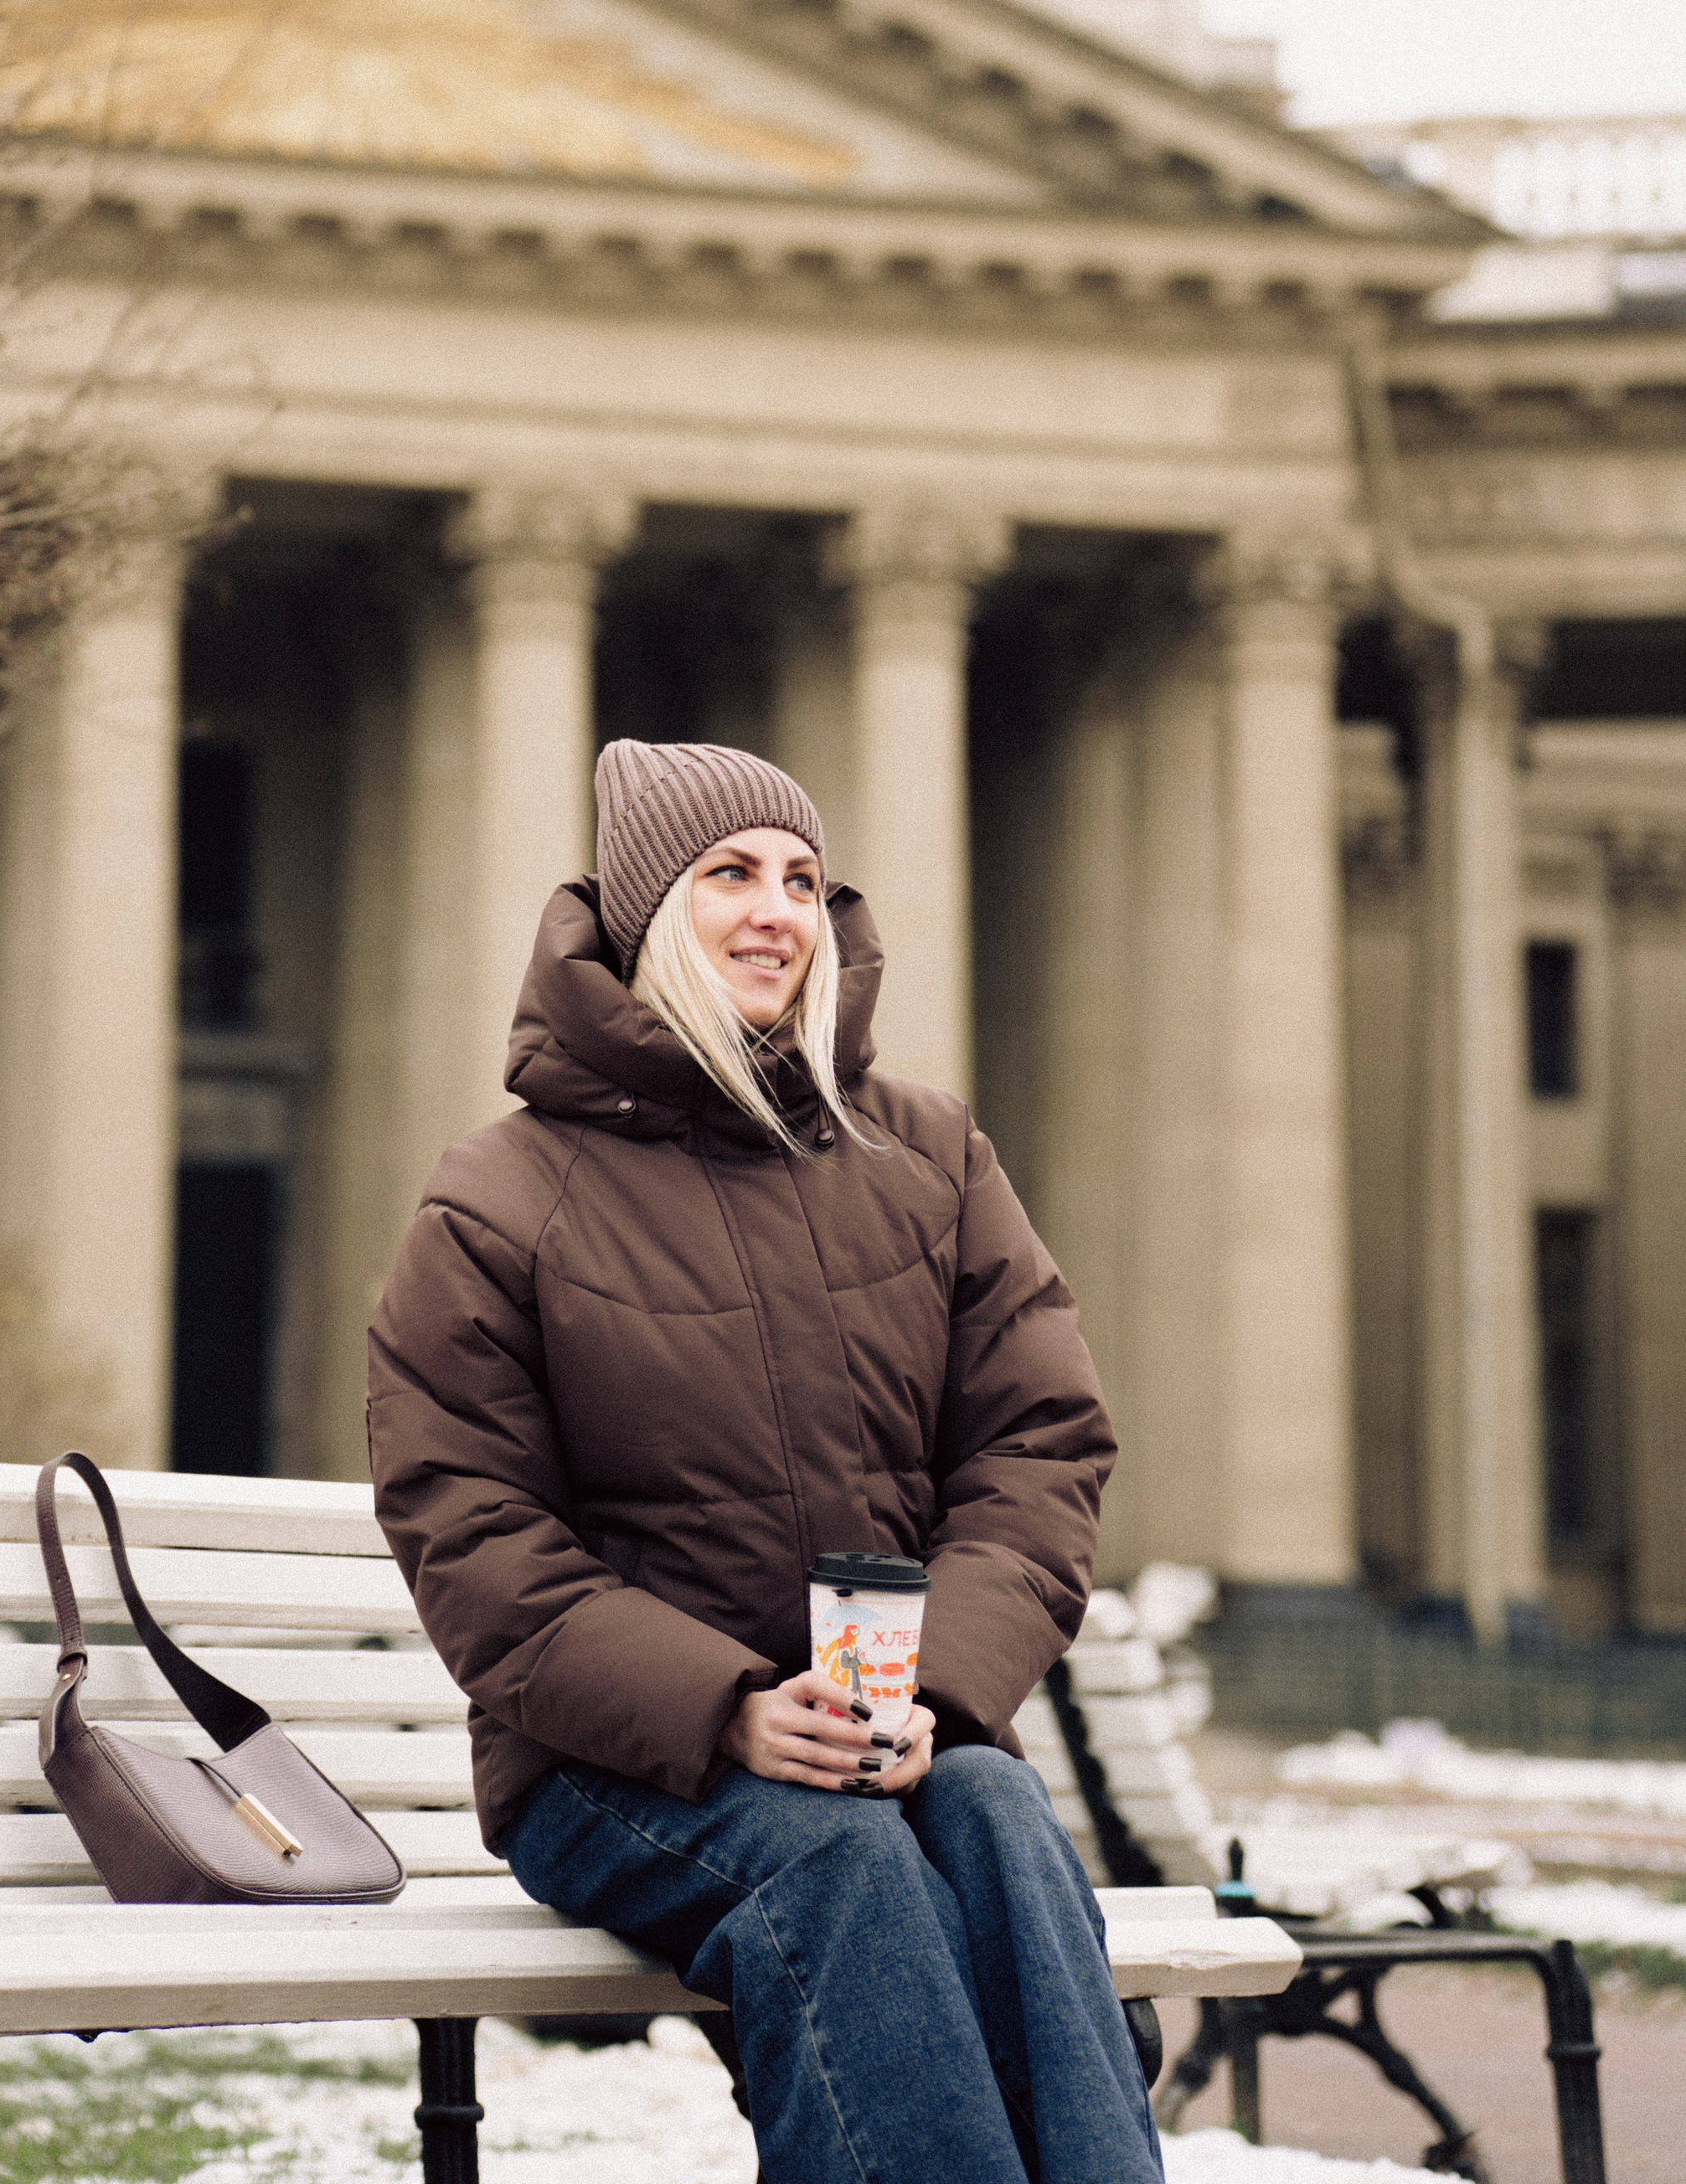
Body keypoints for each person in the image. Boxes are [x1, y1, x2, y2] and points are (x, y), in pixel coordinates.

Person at [369, 737, 1162, 2184]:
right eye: (728, 873)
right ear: (643, 916)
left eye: (802, 877)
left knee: (987, 1798)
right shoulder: (500, 1196)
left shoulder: (928, 1154)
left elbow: (1036, 1445)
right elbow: (471, 1530)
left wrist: (940, 1690)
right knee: (840, 1865)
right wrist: (728, 1708)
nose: (777, 910)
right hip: (614, 1767)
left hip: (886, 1730)